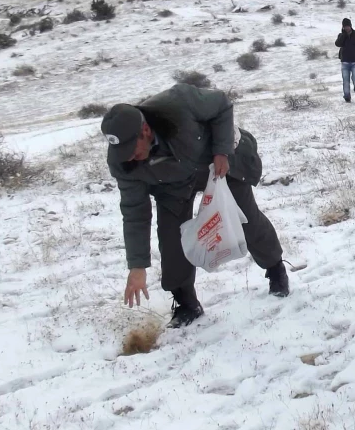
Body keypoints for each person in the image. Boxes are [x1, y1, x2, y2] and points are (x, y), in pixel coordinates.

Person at [102, 83, 289, 329]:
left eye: (131, 150)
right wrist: (137, 266)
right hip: (172, 184)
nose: (127, 158)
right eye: (121, 152)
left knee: (245, 220)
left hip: (215, 164)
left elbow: (222, 105)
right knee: (172, 239)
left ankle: (275, 269)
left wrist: (221, 152)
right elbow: (135, 213)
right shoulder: (123, 163)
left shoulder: (178, 103)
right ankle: (186, 303)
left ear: (145, 130)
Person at [334, 18, 355, 103]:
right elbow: (337, 44)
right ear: (343, 27)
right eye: (345, 26)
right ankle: (347, 97)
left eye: (348, 26)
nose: (346, 28)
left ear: (351, 26)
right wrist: (344, 35)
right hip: (345, 62)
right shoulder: (341, 35)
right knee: (346, 80)